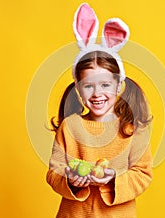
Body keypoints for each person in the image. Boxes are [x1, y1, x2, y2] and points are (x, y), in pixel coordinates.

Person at [46, 3, 153, 217]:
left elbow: (143, 174)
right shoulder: (70, 126)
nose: (97, 93)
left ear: (118, 85)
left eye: (105, 84)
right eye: (88, 85)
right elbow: (53, 172)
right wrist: (70, 180)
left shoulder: (132, 129)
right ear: (78, 87)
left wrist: (114, 178)